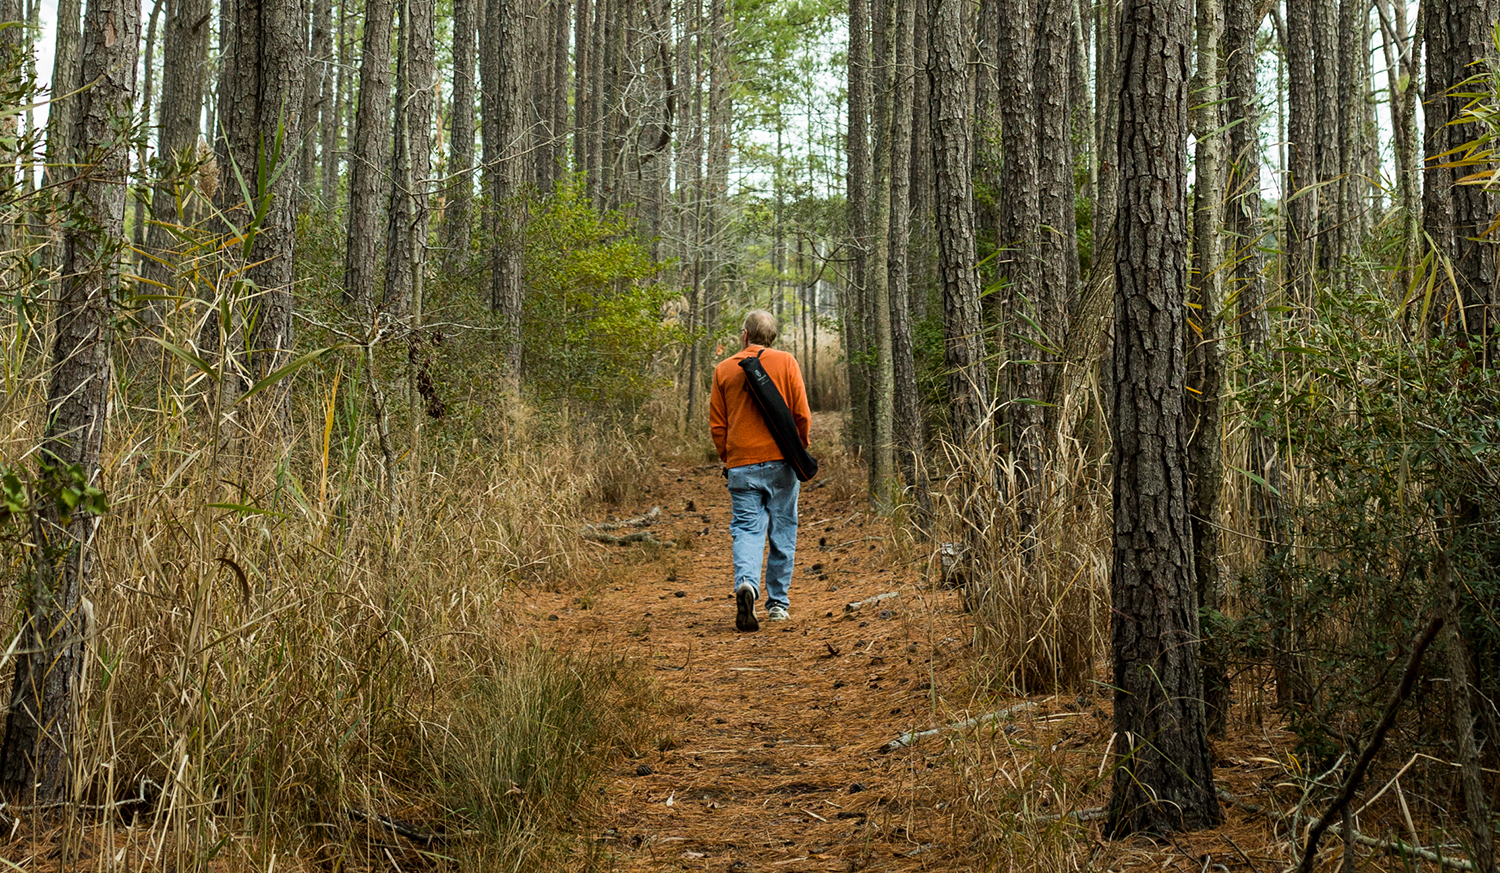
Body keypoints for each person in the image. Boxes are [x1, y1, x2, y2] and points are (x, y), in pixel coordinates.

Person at [710, 310, 812, 632]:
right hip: (782, 463)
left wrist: (730, 456)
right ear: (772, 337)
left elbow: (718, 425)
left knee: (746, 529)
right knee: (783, 530)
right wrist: (799, 448)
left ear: (744, 335)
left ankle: (747, 585)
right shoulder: (786, 363)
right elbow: (801, 414)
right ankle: (778, 605)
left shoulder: (724, 369)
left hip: (741, 465)